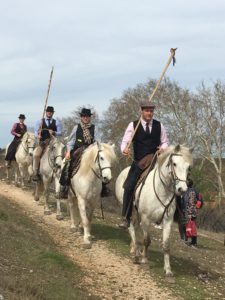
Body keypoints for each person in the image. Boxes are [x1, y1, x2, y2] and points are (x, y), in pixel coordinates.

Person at [119, 101, 169, 229]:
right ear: (141, 111)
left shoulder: (159, 125)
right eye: (147, 111)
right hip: (139, 162)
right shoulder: (133, 125)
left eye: (151, 111)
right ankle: (125, 216)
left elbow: (165, 142)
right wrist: (124, 149)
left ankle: (168, 215)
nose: (149, 113)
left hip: (156, 160)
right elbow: (125, 142)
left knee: (172, 181)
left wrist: (163, 149)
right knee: (129, 186)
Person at [59, 107, 111, 199]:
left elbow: (97, 141)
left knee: (101, 164)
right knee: (67, 164)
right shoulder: (76, 128)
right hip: (77, 150)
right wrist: (68, 152)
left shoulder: (94, 128)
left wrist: (94, 148)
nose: (86, 118)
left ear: (90, 117)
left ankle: (104, 188)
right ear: (81, 117)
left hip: (90, 151)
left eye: (87, 116)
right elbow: (71, 142)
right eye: (84, 116)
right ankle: (64, 188)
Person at [32, 106, 62, 181]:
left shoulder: (57, 122)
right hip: (43, 142)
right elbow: (35, 131)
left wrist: (54, 132)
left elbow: (60, 133)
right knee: (36, 155)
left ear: (52, 113)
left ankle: (60, 172)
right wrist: (37, 135)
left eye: (51, 112)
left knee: (61, 154)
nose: (49, 113)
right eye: (48, 112)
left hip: (53, 142)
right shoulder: (40, 122)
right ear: (46, 112)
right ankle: (36, 173)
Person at [183, 178, 198, 247]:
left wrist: (190, 214)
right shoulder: (187, 191)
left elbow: (191, 203)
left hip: (191, 212)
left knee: (193, 227)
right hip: (188, 211)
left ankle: (194, 242)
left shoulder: (191, 192)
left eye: (186, 182)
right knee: (189, 226)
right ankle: (190, 241)